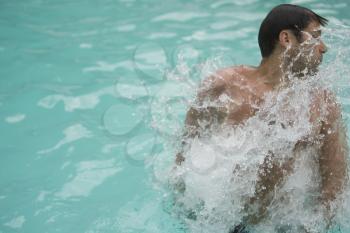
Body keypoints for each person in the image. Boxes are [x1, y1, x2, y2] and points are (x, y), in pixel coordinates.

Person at [174, 4, 348, 232]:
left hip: (286, 222)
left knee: (284, 148)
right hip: (220, 217)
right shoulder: (224, 87)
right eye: (315, 37)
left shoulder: (321, 104)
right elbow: (185, 156)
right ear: (286, 38)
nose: (323, 48)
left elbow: (335, 186)